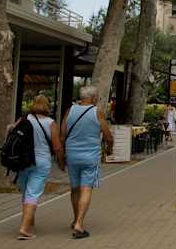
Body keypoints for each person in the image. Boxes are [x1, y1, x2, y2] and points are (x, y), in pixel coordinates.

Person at [61, 86, 113, 240]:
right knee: (86, 189)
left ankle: (75, 219)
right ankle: (79, 224)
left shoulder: (69, 111)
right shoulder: (97, 112)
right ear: (94, 98)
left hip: (72, 155)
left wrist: (61, 156)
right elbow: (107, 135)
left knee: (75, 189)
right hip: (90, 156)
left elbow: (62, 134)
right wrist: (109, 148)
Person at [14, 95, 64, 240]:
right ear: (48, 106)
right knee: (33, 193)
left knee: (26, 192)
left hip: (23, 161)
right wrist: (61, 162)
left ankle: (29, 221)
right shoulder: (50, 123)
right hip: (41, 162)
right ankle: (24, 228)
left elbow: (13, 133)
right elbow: (57, 147)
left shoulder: (24, 119)